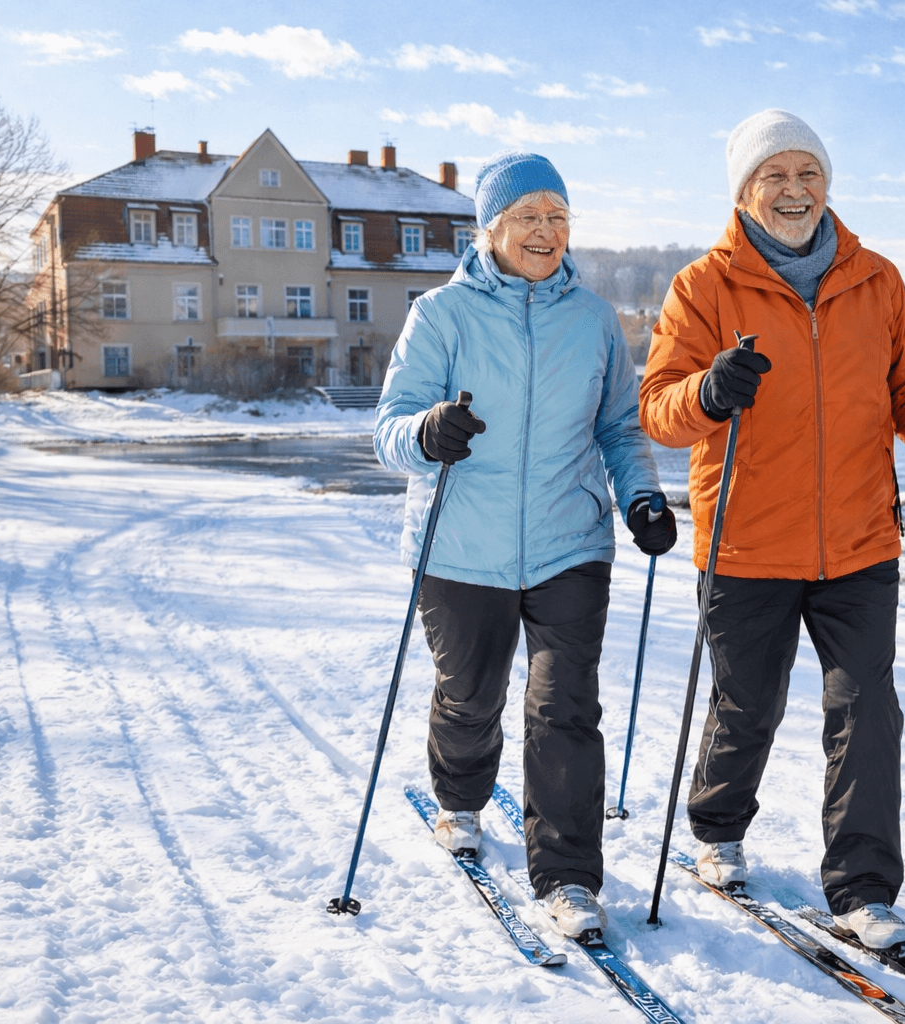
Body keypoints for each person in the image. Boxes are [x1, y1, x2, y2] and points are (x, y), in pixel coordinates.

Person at [639, 109, 905, 951]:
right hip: (746, 541)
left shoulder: (876, 280)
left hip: (860, 540)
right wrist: (708, 392)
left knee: (867, 708)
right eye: (776, 175)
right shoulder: (704, 286)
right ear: (745, 190)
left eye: (809, 174)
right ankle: (718, 827)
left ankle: (863, 889)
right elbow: (658, 409)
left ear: (827, 185)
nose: (794, 190)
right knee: (747, 703)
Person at [374, 150, 676, 943]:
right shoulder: (441, 315)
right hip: (459, 546)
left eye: (558, 216)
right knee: (469, 696)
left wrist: (641, 497)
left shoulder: (594, 321)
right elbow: (388, 431)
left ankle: (569, 875)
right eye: (528, 217)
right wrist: (427, 433)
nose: (546, 231)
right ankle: (459, 797)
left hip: (568, 541)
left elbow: (619, 428)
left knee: (564, 707)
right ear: (490, 228)